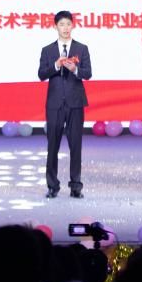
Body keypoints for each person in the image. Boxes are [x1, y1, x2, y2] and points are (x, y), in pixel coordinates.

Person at [38, 10, 91, 198]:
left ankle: (76, 186)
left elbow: (88, 73)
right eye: (62, 24)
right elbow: (41, 74)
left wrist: (75, 69)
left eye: (68, 24)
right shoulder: (47, 50)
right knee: (52, 146)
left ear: (72, 26)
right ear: (55, 27)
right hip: (54, 104)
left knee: (76, 146)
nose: (65, 28)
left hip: (75, 103)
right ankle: (52, 186)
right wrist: (56, 66)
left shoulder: (82, 48)